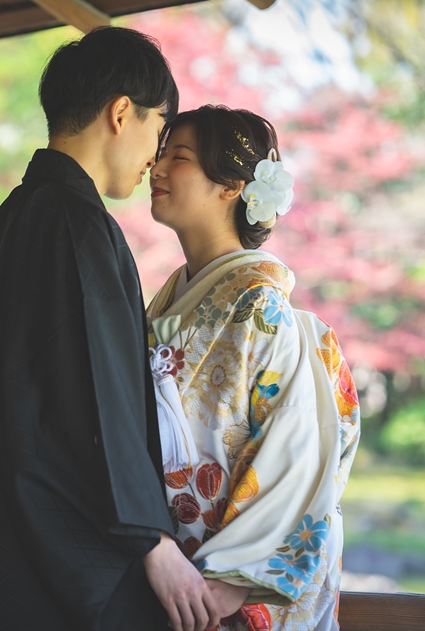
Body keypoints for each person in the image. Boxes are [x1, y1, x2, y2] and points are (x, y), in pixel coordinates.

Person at [0, 27, 222, 631]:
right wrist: (152, 541)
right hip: (48, 570)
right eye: (159, 128)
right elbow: (97, 402)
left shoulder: (2, 225)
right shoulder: (76, 225)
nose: (157, 156)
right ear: (122, 113)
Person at [145, 105, 362, 630]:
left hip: (220, 584)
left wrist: (231, 580)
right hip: (174, 567)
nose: (156, 169)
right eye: (159, 153)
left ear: (231, 186)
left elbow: (297, 444)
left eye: (178, 157)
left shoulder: (257, 305)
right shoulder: (173, 299)